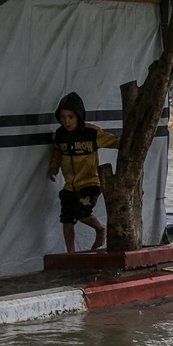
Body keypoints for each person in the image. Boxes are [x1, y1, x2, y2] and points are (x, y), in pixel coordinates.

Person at [48, 92, 120, 252]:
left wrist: (129, 144)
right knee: (66, 219)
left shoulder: (91, 133)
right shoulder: (60, 134)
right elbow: (58, 152)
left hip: (89, 183)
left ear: (79, 116)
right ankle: (71, 254)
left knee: (81, 212)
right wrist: (54, 166)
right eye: (63, 117)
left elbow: (114, 141)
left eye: (71, 117)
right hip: (69, 186)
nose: (66, 121)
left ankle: (100, 229)